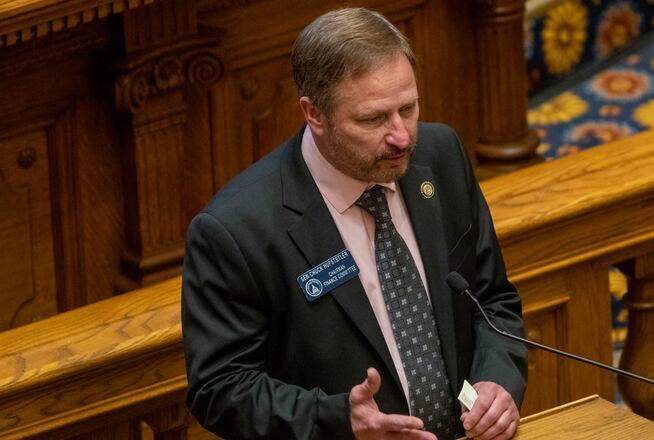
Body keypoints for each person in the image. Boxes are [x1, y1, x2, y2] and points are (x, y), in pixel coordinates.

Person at [181, 7, 527, 440]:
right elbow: (221, 388)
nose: (401, 136)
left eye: (408, 107)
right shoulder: (236, 230)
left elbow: (492, 300)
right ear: (314, 114)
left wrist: (497, 380)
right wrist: (338, 421)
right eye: (373, 118)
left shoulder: (441, 157)